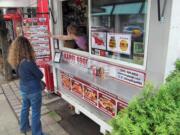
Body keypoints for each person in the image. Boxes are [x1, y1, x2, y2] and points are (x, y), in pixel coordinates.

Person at [7, 36, 45, 135]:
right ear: (27, 47)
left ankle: (24, 127)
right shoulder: (28, 62)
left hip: (23, 89)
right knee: (36, 112)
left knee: (25, 108)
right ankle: (37, 133)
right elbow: (40, 75)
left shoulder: (16, 61)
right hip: (34, 91)